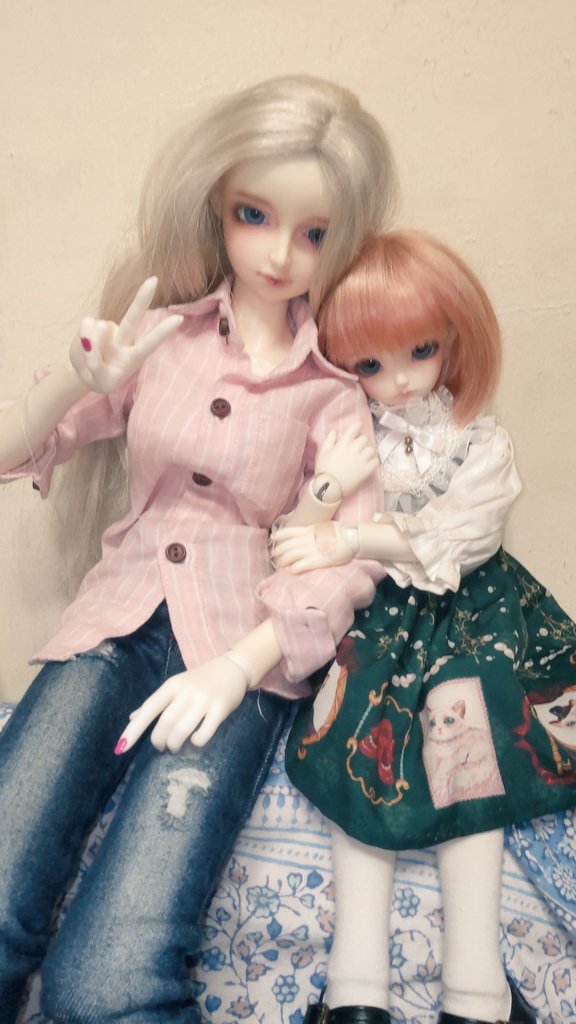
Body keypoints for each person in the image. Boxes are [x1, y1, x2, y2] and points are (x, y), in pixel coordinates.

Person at [0, 75, 397, 1023]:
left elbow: (351, 561)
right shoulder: (159, 340)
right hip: (110, 623)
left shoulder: (332, 394)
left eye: (313, 233)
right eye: (255, 215)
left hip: (236, 647)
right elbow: (15, 452)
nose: (279, 253)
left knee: (108, 984)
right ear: (218, 204)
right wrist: (73, 384)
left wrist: (240, 667)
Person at [273, 231, 576, 1024]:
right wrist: (325, 499)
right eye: (370, 363)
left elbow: (463, 537)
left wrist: (350, 535)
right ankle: (356, 991)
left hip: (474, 614)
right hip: (379, 617)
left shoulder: (477, 439)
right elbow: (293, 536)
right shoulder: (350, 436)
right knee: (359, 773)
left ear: (455, 339)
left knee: (469, 776)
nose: (401, 379)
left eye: (421, 350)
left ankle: (476, 993)